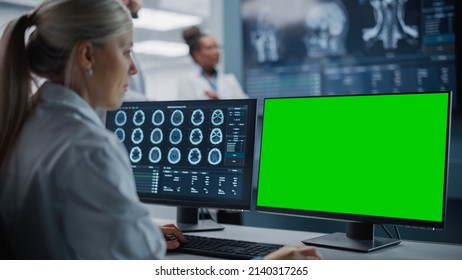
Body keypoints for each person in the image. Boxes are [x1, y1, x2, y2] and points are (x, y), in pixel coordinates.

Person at [0, 0, 321, 260]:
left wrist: (133, 233)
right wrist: (267, 268)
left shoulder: (25, 122)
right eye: (126, 51)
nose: (134, 68)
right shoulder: (89, 148)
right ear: (87, 55)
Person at [178, 26, 248, 100]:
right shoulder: (187, 81)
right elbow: (185, 108)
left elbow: (247, 106)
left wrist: (219, 102)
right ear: (196, 54)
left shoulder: (230, 79)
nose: (216, 52)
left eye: (217, 47)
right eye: (209, 48)